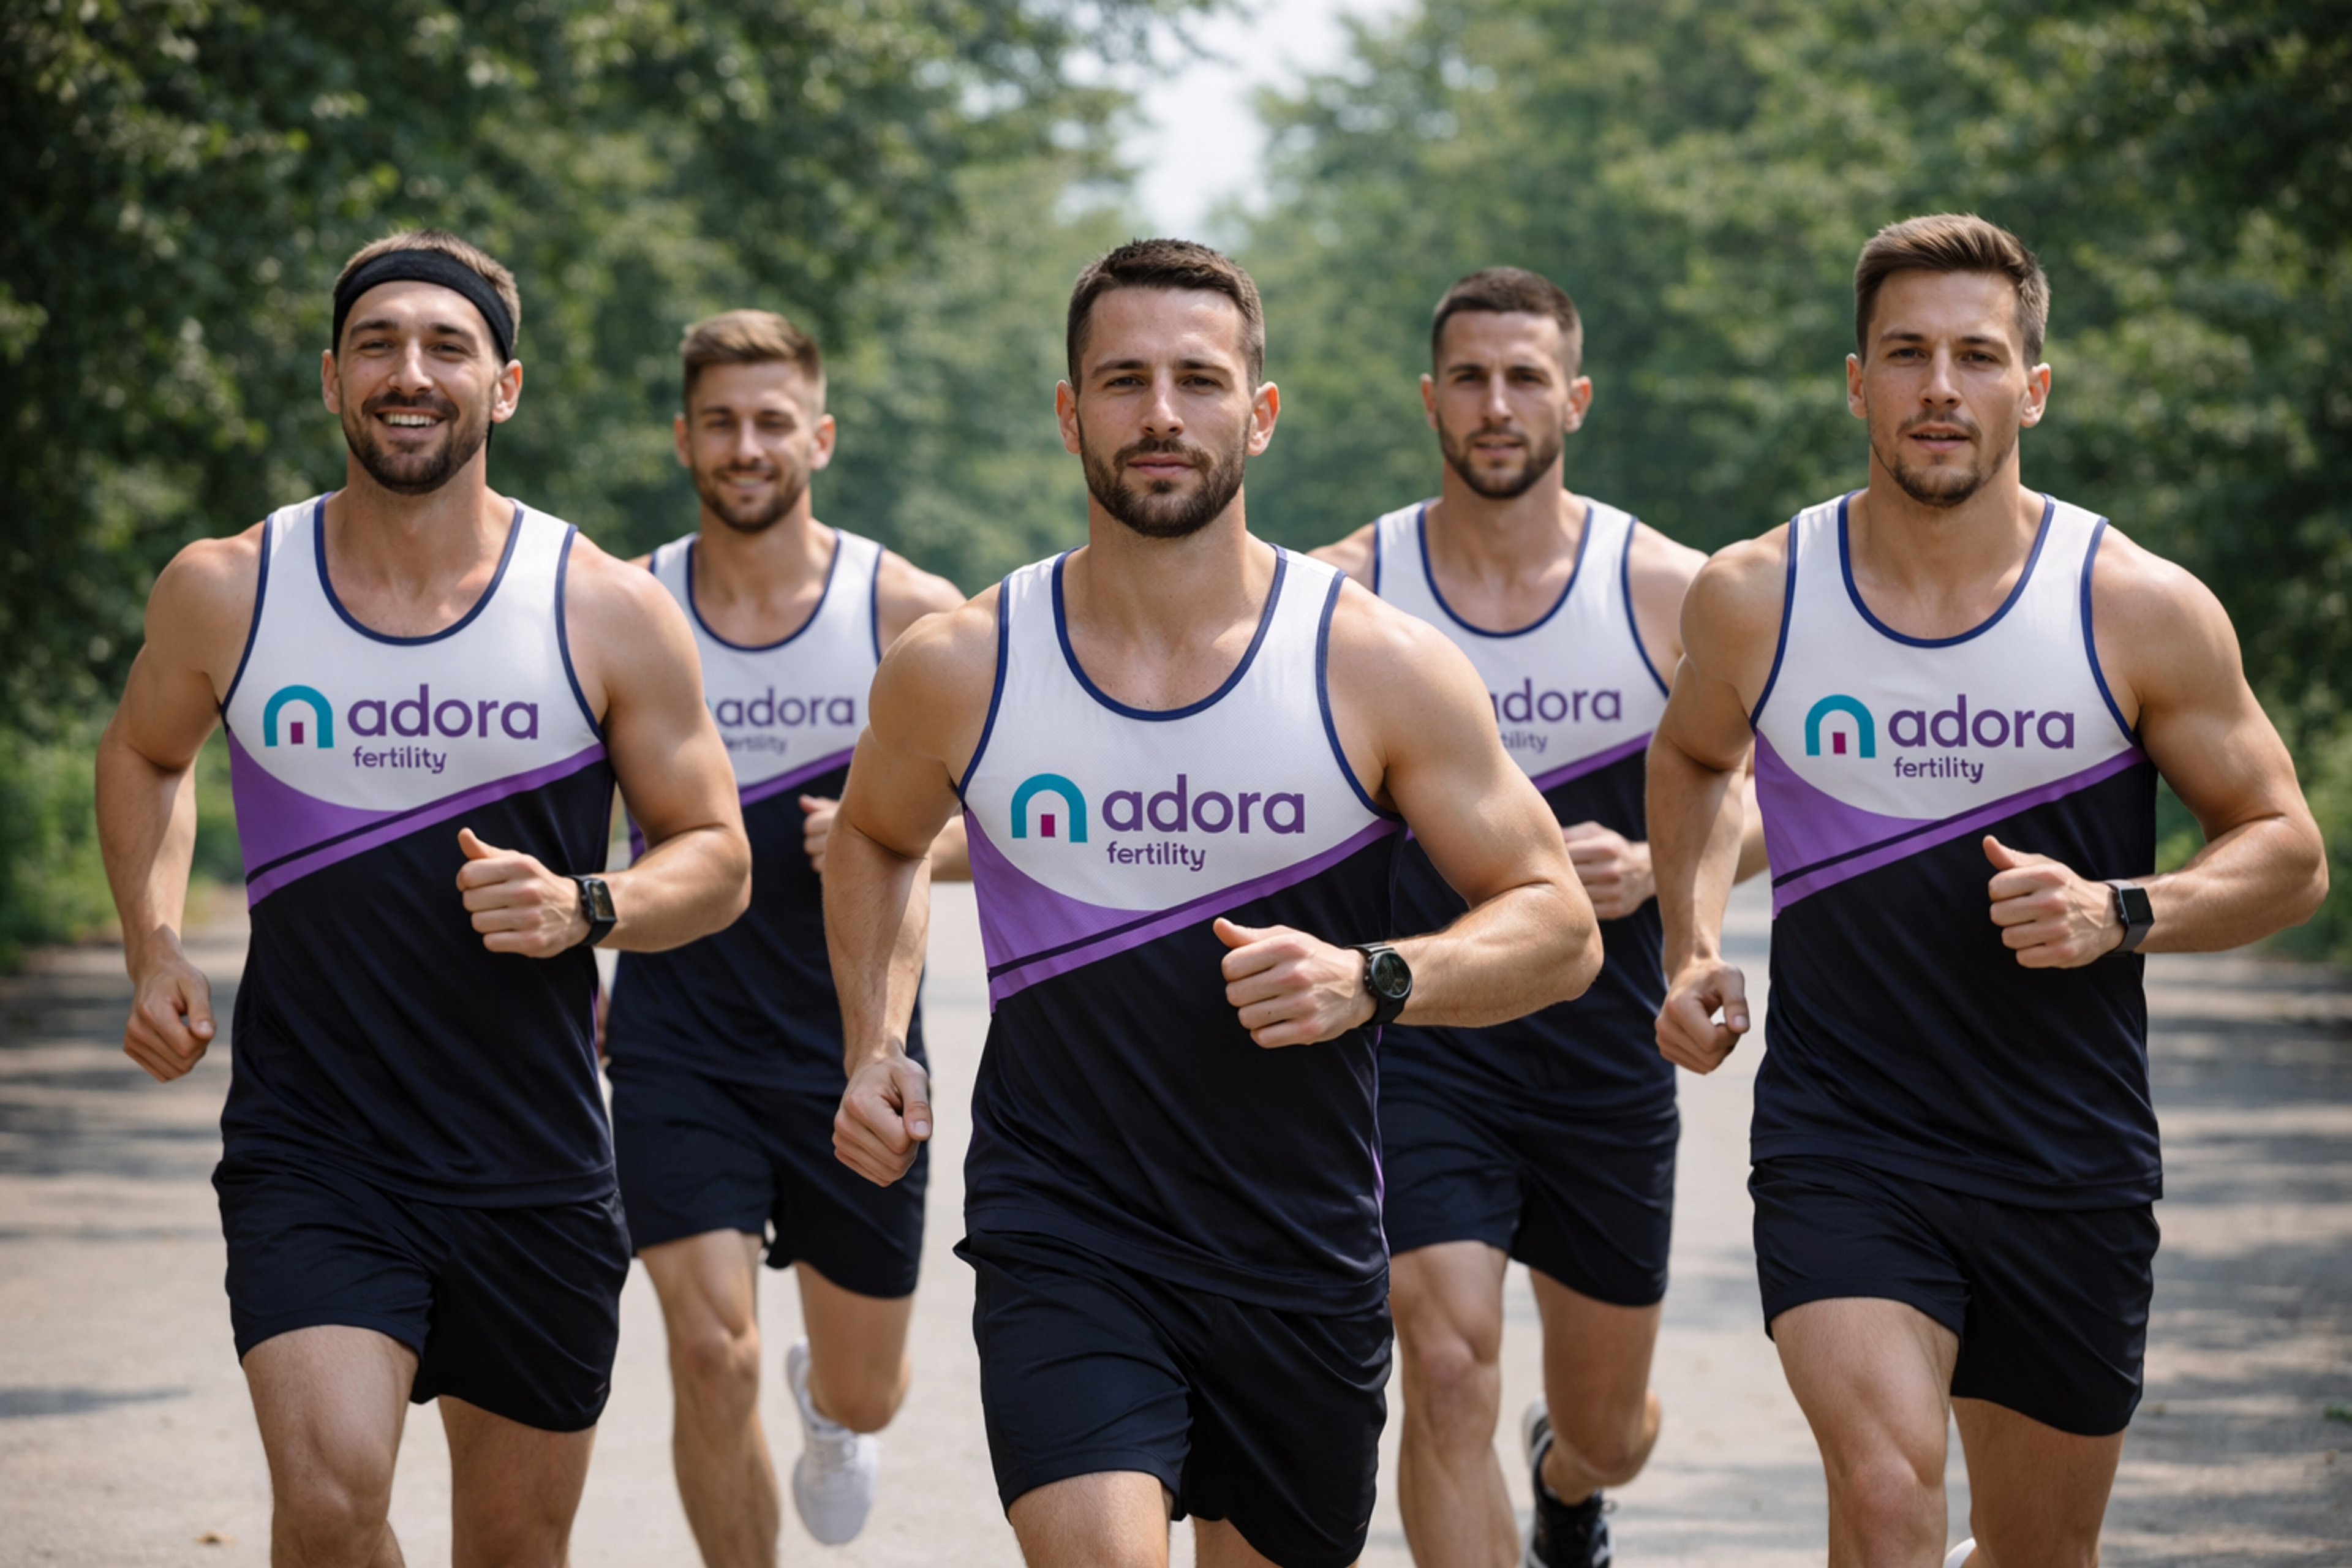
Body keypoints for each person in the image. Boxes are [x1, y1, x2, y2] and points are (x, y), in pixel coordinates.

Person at [820, 239, 1603, 1568]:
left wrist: (1377, 977)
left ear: (1261, 409)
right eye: (1123, 381)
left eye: (1198, 378)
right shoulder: (962, 664)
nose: (1163, 414)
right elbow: (875, 843)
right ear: (1072, 413)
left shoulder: (1374, 663)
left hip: (1296, 1248)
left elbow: (1558, 923)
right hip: (1063, 1232)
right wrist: (873, 1044)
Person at [1647, 213, 2328, 1568]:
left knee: (2034, 1548)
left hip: (2064, 1156)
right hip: (1845, 1140)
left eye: (1976, 354)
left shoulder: (2135, 604)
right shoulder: (1758, 597)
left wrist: (2124, 909)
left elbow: (2288, 850)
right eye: (1905, 353)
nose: (1940, 387)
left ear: (2034, 385)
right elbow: (1694, 756)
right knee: (1892, 1495)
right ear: (1858, 383)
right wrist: (1689, 940)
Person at [94, 229, 750, 1568]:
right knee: (331, 1509)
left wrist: (593, 904)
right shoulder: (229, 586)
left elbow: (716, 855)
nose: (411, 371)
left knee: (510, 1550)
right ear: (332, 380)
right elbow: (148, 751)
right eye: (379, 345)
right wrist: (152, 940)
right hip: (312, 1146)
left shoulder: (603, 607)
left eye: (447, 346)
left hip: (534, 1163)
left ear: (503, 386)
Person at [1313, 267, 1762, 1568]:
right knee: (1445, 1361)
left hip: (1605, 1053)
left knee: (1611, 1421)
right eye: (1469, 377)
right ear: (1430, 399)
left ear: (1574, 396)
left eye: (1524, 378)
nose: (1496, 404)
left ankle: (1569, 1478)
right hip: (1424, 1039)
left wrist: (1663, 865)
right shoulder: (1352, 596)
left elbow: (1775, 797)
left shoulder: (1668, 594)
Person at [601, 309, 967, 1563]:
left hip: (856, 1044)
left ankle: (833, 1411)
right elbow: (581, 809)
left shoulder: (904, 609)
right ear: (683, 438)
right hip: (677, 1037)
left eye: (771, 421)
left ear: (818, 435)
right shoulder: (625, 603)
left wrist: (887, 837)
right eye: (720, 422)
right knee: (709, 1348)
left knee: (869, 1388)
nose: (745, 445)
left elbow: (1023, 815)